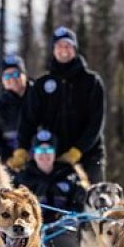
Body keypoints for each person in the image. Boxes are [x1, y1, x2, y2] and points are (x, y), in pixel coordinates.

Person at [8, 27, 106, 183]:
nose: (63, 50)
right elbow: (29, 119)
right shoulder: (42, 84)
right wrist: (22, 149)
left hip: (88, 156)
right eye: (59, 46)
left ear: (74, 49)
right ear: (53, 50)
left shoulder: (92, 81)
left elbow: (96, 123)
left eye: (67, 46)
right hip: (54, 158)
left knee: (96, 202)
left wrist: (78, 150)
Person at [0, 54, 30, 163]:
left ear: (24, 75)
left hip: (45, 164)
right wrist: (7, 159)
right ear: (2, 80)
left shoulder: (41, 98)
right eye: (7, 76)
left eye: (16, 74)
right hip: (13, 168)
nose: (12, 79)